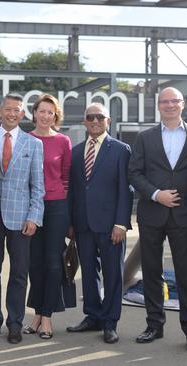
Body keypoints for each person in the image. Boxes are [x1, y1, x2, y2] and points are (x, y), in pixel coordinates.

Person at [128, 87, 187, 353]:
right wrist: (155, 194)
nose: (170, 105)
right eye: (165, 101)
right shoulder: (144, 137)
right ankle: (154, 324)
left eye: (174, 101)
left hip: (185, 216)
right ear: (158, 105)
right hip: (152, 213)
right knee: (152, 272)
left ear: (183, 104)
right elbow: (134, 173)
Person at [66, 103, 132, 344]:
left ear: (109, 121)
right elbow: (73, 189)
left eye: (99, 117)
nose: (95, 121)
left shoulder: (121, 150)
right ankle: (92, 315)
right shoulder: (75, 151)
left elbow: (126, 190)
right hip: (83, 224)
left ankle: (110, 322)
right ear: (84, 121)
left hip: (111, 225)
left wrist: (121, 224)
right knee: (89, 272)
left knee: (113, 273)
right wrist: (71, 223)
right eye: (90, 117)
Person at [0, 93, 44, 344]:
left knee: (19, 273)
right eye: (8, 109)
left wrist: (34, 217)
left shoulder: (33, 144)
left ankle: (15, 323)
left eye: (17, 110)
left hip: (21, 218)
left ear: (23, 114)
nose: (12, 113)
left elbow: (38, 186)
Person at [23, 94, 74, 339]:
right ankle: (36, 313)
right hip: (31, 209)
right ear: (34, 113)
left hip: (56, 208)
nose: (45, 116)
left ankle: (46, 318)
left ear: (56, 116)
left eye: (50, 112)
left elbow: (66, 178)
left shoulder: (63, 141)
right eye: (42, 111)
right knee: (34, 263)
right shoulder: (24, 139)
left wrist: (57, 199)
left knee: (53, 262)